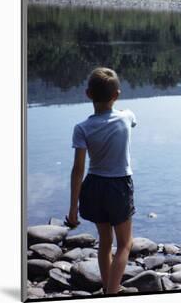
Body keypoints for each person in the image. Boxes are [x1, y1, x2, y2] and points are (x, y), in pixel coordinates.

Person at [66, 67, 137, 295]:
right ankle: (112, 292)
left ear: (88, 94)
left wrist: (73, 208)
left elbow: (78, 170)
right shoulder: (127, 117)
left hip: (93, 186)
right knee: (125, 244)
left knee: (105, 241)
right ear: (117, 94)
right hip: (118, 186)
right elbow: (129, 118)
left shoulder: (82, 128)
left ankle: (107, 288)